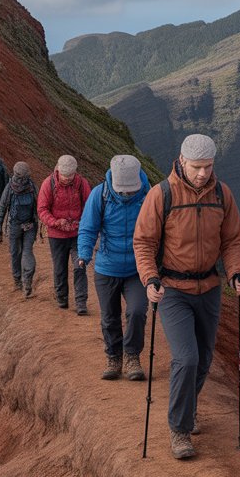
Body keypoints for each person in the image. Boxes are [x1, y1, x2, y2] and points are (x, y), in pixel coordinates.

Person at [133, 134, 240, 460]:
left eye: (208, 166)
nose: (202, 173)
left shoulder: (222, 195)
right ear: (182, 161)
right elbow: (143, 242)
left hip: (209, 288)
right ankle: (179, 430)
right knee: (186, 358)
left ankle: (189, 405)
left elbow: (232, 240)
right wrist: (150, 278)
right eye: (197, 167)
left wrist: (236, 271)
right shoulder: (162, 195)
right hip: (172, 291)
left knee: (205, 359)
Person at [77, 155, 151, 381]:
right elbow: (88, 227)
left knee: (137, 312)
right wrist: (84, 254)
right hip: (107, 267)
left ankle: (131, 356)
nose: (126, 193)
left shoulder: (150, 197)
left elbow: (160, 230)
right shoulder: (101, 194)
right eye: (123, 190)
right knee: (110, 317)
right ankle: (113, 357)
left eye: (130, 190)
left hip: (138, 269)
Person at [37, 154, 92, 313]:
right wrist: (55, 222)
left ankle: (81, 302)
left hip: (77, 234)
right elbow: (42, 209)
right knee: (60, 268)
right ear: (58, 170)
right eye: (64, 175)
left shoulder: (82, 184)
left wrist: (84, 223)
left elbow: (89, 207)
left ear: (75, 172)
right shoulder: (48, 184)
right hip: (57, 235)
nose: (67, 179)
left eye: (70, 175)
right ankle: (62, 298)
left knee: (79, 266)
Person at [0, 161, 39, 297]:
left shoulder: (10, 187)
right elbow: (39, 205)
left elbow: (2, 207)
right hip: (30, 225)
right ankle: (27, 281)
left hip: (14, 226)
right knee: (27, 251)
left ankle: (17, 281)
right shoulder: (32, 186)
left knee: (15, 253)